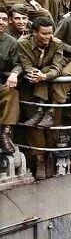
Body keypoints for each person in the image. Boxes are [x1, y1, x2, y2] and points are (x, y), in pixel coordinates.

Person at [0, 10, 21, 153]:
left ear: (8, 22)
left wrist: (14, 73)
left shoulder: (11, 42)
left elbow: (18, 63)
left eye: (4, 19)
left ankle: (5, 134)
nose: (1, 22)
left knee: (12, 94)